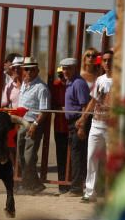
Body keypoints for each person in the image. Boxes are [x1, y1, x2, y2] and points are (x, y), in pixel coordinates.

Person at [77, 50, 114, 203]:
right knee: (91, 157)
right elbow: (93, 101)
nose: (107, 63)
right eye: (104, 60)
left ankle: (111, 193)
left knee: (111, 160)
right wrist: (83, 118)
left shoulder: (118, 81)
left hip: (110, 126)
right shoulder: (100, 79)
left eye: (109, 60)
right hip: (96, 124)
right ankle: (90, 192)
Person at [15, 58, 50, 194]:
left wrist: (35, 125)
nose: (28, 71)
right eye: (26, 69)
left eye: (31, 69)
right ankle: (35, 184)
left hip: (32, 124)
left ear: (37, 70)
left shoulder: (41, 87)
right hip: (22, 122)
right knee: (21, 156)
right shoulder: (25, 84)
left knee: (29, 157)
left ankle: (28, 185)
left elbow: (45, 110)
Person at [63, 56, 90, 196]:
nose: (65, 71)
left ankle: (76, 188)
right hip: (73, 123)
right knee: (76, 154)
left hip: (78, 122)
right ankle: (76, 187)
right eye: (64, 68)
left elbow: (85, 106)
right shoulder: (70, 82)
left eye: (68, 68)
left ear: (74, 69)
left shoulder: (78, 83)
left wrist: (81, 126)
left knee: (77, 155)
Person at [50, 64, 70, 193]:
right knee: (61, 157)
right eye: (60, 74)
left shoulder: (73, 85)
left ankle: (72, 184)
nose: (62, 77)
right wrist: (58, 108)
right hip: (60, 127)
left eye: (63, 74)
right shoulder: (55, 86)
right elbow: (50, 103)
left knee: (72, 158)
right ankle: (62, 185)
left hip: (72, 127)